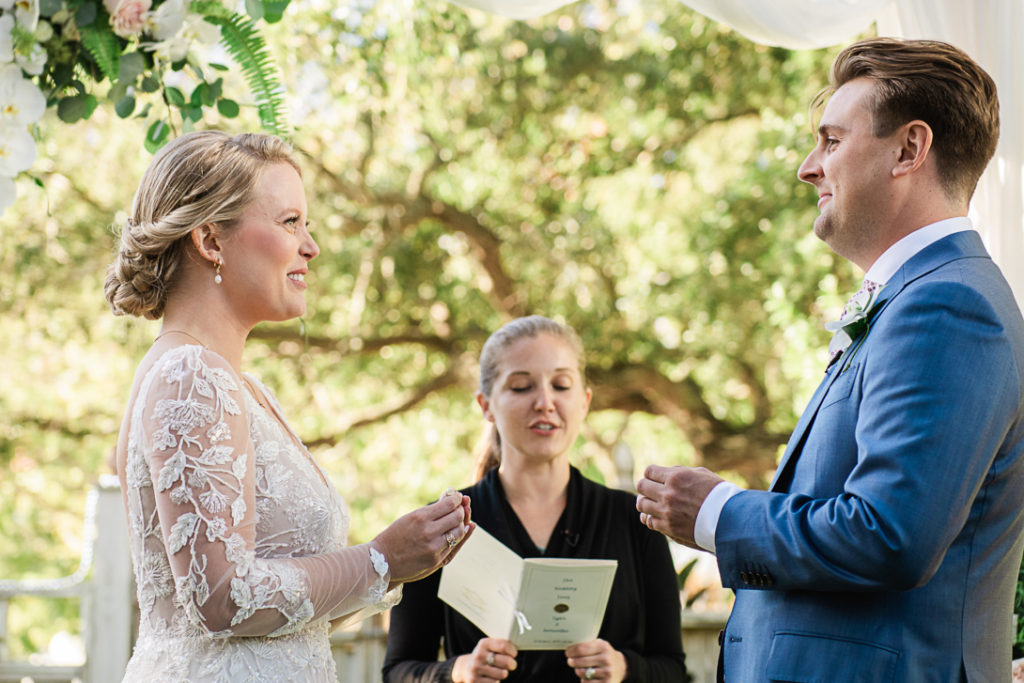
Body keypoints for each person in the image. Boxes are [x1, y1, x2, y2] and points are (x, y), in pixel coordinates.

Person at [636, 37, 1024, 682]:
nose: (808, 167)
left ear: (909, 149)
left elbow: (889, 536)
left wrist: (718, 513)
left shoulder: (949, 306)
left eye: (832, 140)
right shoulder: (921, 296)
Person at [105, 130, 472, 682]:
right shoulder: (190, 375)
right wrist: (380, 558)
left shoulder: (240, 388)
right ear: (210, 240)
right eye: (290, 222)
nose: (311, 246)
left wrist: (402, 565)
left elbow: (290, 619)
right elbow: (222, 600)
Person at [383, 316, 689, 682]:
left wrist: (625, 669)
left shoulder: (636, 521)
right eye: (521, 387)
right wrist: (458, 672)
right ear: (486, 405)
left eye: (561, 385)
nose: (545, 402)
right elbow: (398, 672)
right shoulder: (442, 527)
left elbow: (673, 669)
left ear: (584, 401)